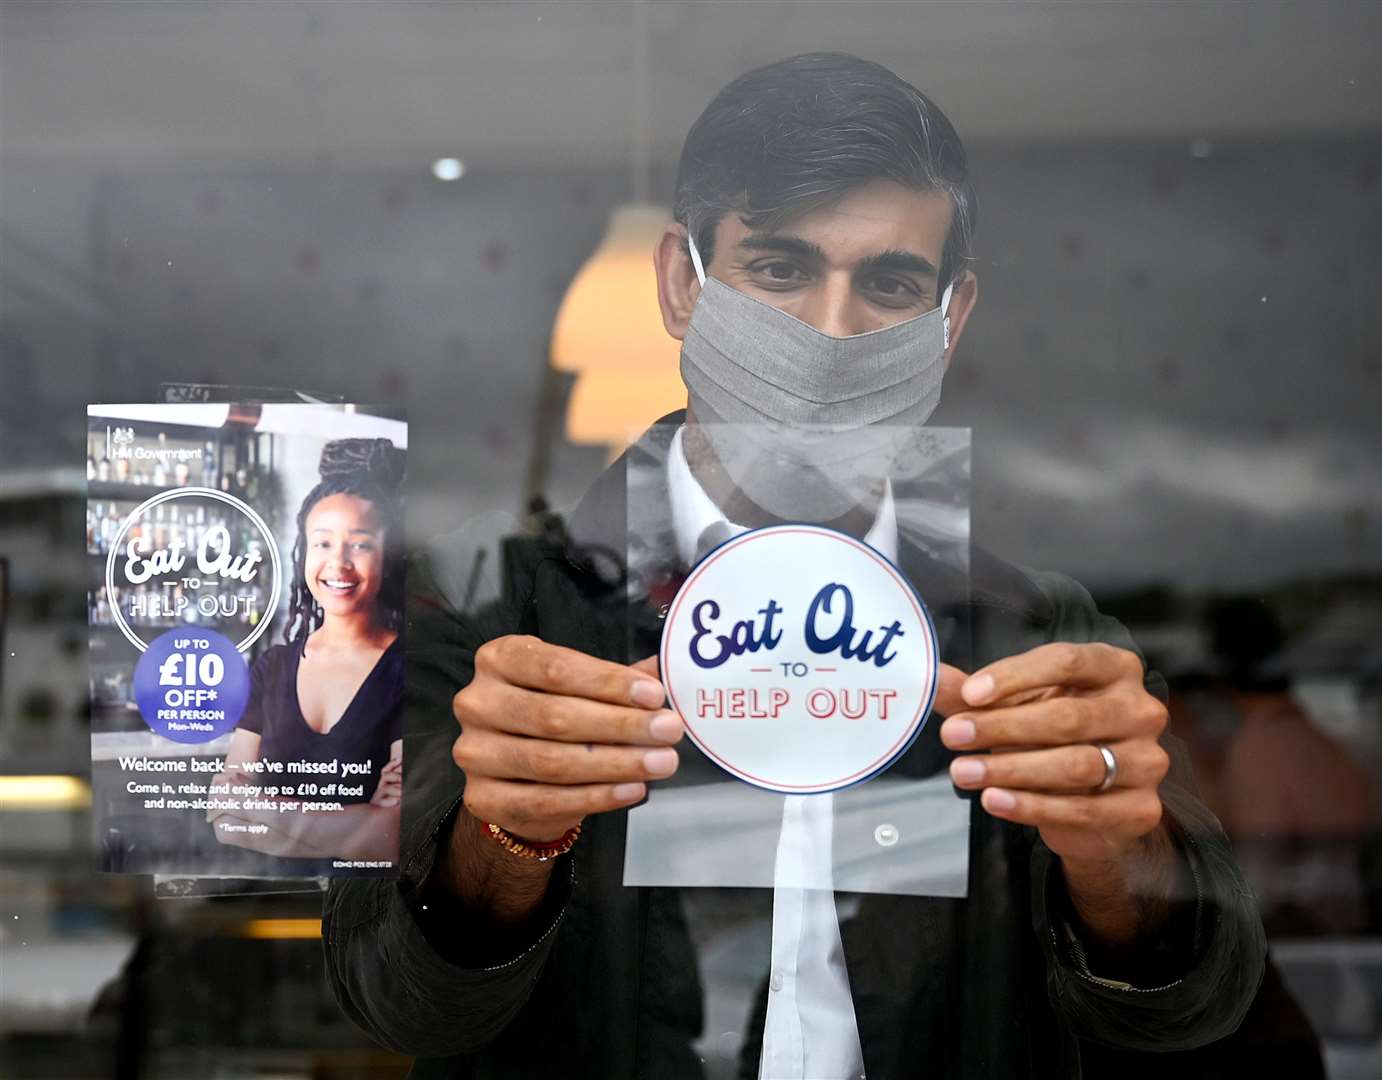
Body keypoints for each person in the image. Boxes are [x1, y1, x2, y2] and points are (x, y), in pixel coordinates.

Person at [324, 53, 1267, 1077]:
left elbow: (1195, 1010)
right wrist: (500, 839)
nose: (829, 331)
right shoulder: (487, 617)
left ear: (950, 319)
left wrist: (1116, 845)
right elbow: (388, 998)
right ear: (684, 282)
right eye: (779, 268)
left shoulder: (1039, 634)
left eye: (891, 282)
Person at [208, 437, 405, 867]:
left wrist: (258, 811)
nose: (339, 564)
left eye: (361, 543)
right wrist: (358, 821)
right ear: (303, 553)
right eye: (322, 543)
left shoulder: (411, 671)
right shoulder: (273, 665)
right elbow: (223, 818)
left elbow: (392, 837)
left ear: (388, 556)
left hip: (363, 909)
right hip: (268, 896)